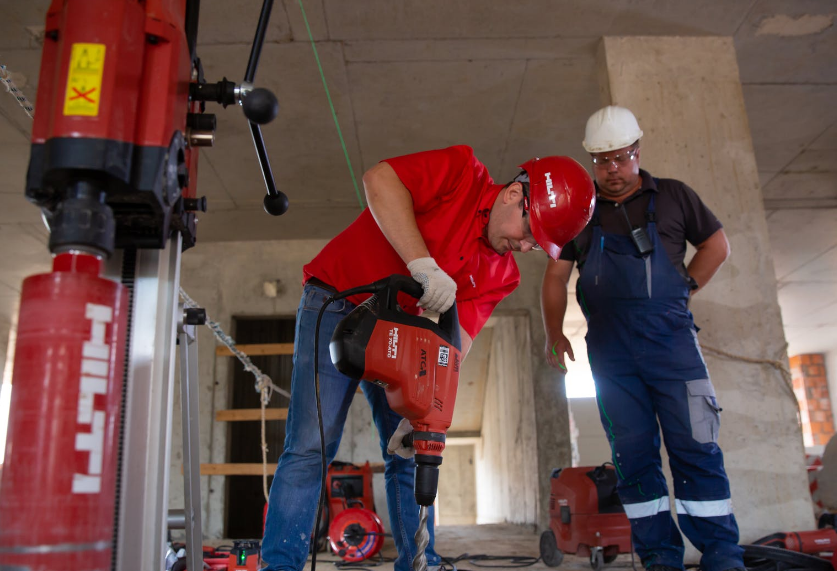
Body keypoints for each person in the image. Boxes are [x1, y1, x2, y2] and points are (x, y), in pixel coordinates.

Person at [262, 145, 595, 571]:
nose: (527, 246)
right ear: (515, 193)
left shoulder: (502, 274)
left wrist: (421, 413)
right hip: (338, 302)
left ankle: (422, 563)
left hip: (400, 336)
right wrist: (421, 264)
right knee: (311, 445)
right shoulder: (461, 172)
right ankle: (279, 567)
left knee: (410, 449)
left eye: (538, 244)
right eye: (531, 232)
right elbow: (378, 181)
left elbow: (454, 348)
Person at [541, 106, 745, 571]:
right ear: (591, 160)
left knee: (696, 448)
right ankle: (660, 559)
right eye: (602, 161)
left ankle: (721, 556)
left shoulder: (673, 197)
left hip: (674, 350)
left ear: (637, 151)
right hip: (612, 357)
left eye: (620, 158)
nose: (612, 170)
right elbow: (555, 277)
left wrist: (685, 288)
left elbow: (717, 245)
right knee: (633, 458)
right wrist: (554, 332)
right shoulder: (579, 211)